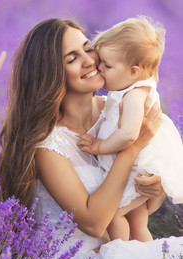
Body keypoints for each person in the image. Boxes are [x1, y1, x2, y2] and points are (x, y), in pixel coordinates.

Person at [0, 18, 183, 259]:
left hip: (124, 250)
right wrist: (131, 148)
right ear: (50, 74)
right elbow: (94, 223)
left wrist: (153, 189)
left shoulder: (121, 107)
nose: (89, 61)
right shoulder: (46, 144)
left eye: (88, 48)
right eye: (73, 58)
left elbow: (143, 199)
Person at [78, 16, 183, 242]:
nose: (99, 68)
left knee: (113, 217)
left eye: (107, 65)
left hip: (135, 172)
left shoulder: (135, 95)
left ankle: (120, 253)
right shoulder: (128, 91)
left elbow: (129, 134)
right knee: (137, 219)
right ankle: (145, 256)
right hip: (134, 169)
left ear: (134, 72)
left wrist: (99, 145)